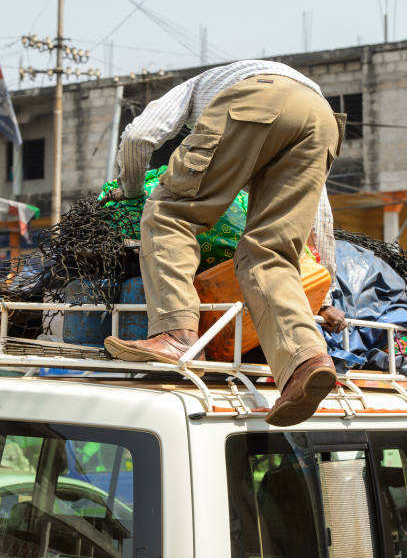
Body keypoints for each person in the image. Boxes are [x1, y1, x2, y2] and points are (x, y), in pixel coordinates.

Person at [104, 59, 347, 426]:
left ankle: (175, 333)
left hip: (256, 100)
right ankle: (306, 361)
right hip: (322, 118)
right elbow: (321, 214)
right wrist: (327, 296)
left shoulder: (193, 87)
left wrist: (132, 191)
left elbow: (139, 136)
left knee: (169, 212)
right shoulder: (284, 89)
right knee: (269, 253)